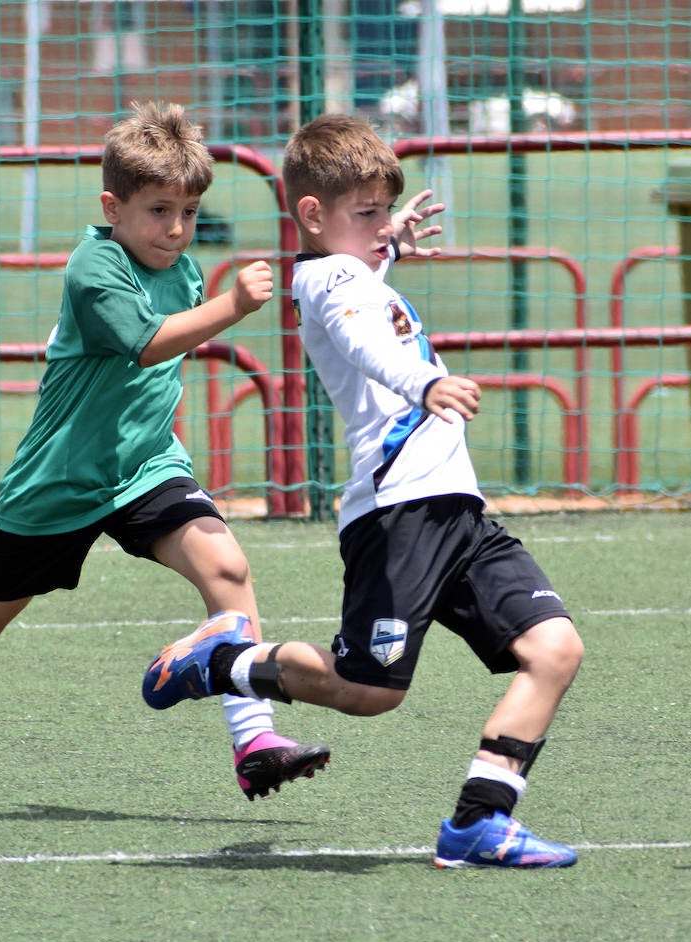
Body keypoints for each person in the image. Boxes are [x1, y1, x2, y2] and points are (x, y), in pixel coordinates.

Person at [0, 100, 329, 807]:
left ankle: (253, 740)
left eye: (190, 212)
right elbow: (148, 343)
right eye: (160, 210)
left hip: (144, 469)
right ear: (114, 204)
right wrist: (233, 306)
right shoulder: (93, 268)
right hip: (59, 483)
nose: (176, 229)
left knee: (226, 566)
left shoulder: (183, 269)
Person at [140, 113, 585, 869]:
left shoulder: (349, 270)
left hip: (457, 511)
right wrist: (429, 380)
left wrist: (385, 250)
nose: (382, 227)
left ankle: (481, 821)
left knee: (555, 648)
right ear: (312, 215)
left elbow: (359, 298)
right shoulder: (328, 279)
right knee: (369, 691)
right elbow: (362, 341)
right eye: (366, 214)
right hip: (400, 515)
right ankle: (220, 662)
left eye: (385, 212)